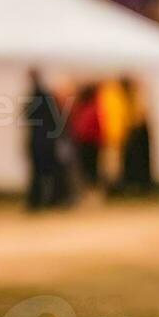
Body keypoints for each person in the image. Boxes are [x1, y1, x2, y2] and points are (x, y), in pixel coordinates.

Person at [25, 68, 66, 211]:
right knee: (49, 173)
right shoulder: (46, 97)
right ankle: (51, 200)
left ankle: (38, 201)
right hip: (46, 141)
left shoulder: (36, 97)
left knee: (40, 173)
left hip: (40, 141)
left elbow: (28, 117)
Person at [119, 77, 153, 194]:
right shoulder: (130, 98)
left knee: (138, 163)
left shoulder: (137, 97)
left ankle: (139, 185)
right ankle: (135, 184)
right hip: (133, 134)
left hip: (136, 134)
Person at [69, 82, 103, 191]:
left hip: (87, 143)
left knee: (88, 170)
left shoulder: (84, 109)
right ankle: (89, 191)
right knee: (90, 170)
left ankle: (90, 191)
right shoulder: (91, 108)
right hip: (89, 143)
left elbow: (80, 127)